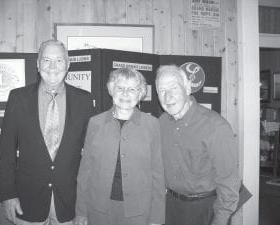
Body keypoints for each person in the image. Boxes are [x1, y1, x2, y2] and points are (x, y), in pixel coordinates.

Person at [0, 40, 93, 225]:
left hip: (69, 204)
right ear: (37, 64)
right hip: (26, 202)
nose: (52, 67)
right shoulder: (18, 98)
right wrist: (8, 195)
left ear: (68, 65)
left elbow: (91, 156)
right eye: (46, 60)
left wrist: (85, 203)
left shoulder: (84, 100)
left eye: (59, 60)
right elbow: (6, 151)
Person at [74, 68, 165, 225]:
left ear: (140, 93)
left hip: (138, 212)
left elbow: (157, 174)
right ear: (111, 90)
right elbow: (85, 171)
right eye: (120, 88)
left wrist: (156, 219)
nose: (125, 94)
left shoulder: (152, 125)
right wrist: (81, 212)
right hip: (99, 209)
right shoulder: (95, 123)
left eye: (132, 89)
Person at [155, 64, 240, 225]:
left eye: (173, 88)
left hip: (206, 209)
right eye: (161, 91)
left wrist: (220, 220)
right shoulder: (161, 123)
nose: (167, 97)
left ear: (187, 88)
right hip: (170, 207)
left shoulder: (215, 126)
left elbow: (229, 182)